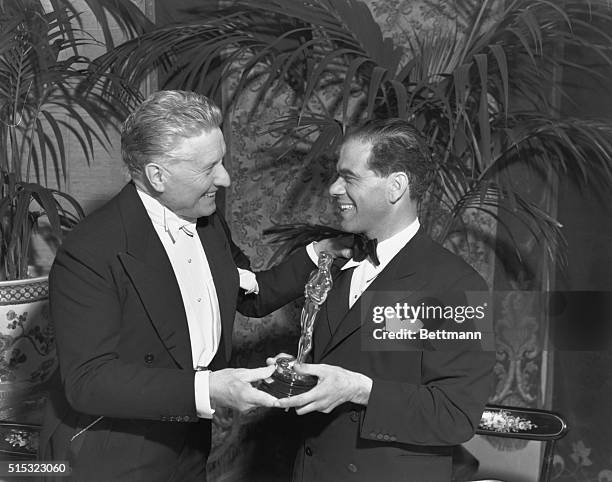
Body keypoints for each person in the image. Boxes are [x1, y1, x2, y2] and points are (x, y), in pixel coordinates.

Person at [39, 90, 345, 481]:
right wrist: (210, 389)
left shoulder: (208, 220)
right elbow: (89, 382)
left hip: (189, 442)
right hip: (112, 452)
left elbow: (251, 294)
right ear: (157, 176)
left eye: (222, 161)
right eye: (209, 168)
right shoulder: (89, 251)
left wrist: (321, 251)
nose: (225, 177)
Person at [274, 119, 495, 482]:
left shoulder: (456, 284)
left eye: (350, 177)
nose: (333, 188)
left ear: (396, 186)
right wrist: (303, 371)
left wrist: (361, 390)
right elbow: (350, 358)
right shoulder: (339, 263)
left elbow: (456, 414)